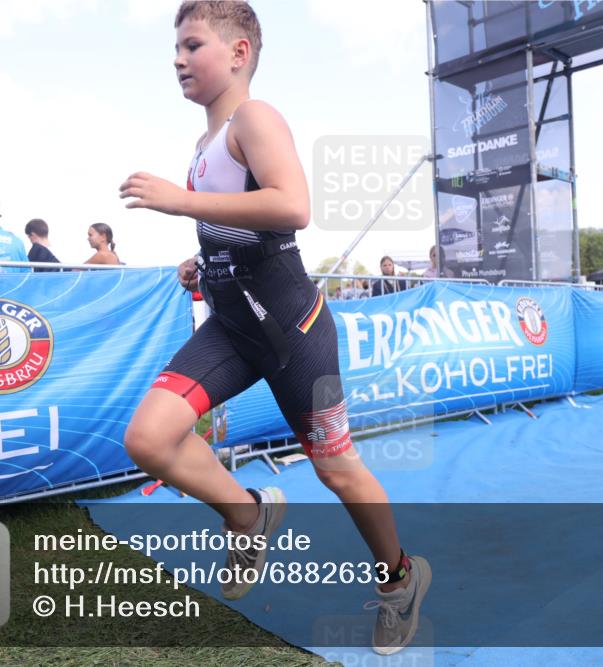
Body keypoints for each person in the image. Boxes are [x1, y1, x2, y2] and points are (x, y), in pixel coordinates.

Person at [117, 2, 429, 655]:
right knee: (148, 437)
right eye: (175, 47)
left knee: (338, 470)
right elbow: (240, 224)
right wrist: (202, 258)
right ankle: (248, 513)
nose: (178, 59)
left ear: (239, 53)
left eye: (192, 45)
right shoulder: (204, 144)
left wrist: (179, 201)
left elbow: (292, 206)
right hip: (233, 328)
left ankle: (400, 578)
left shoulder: (255, 117)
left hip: (295, 331)